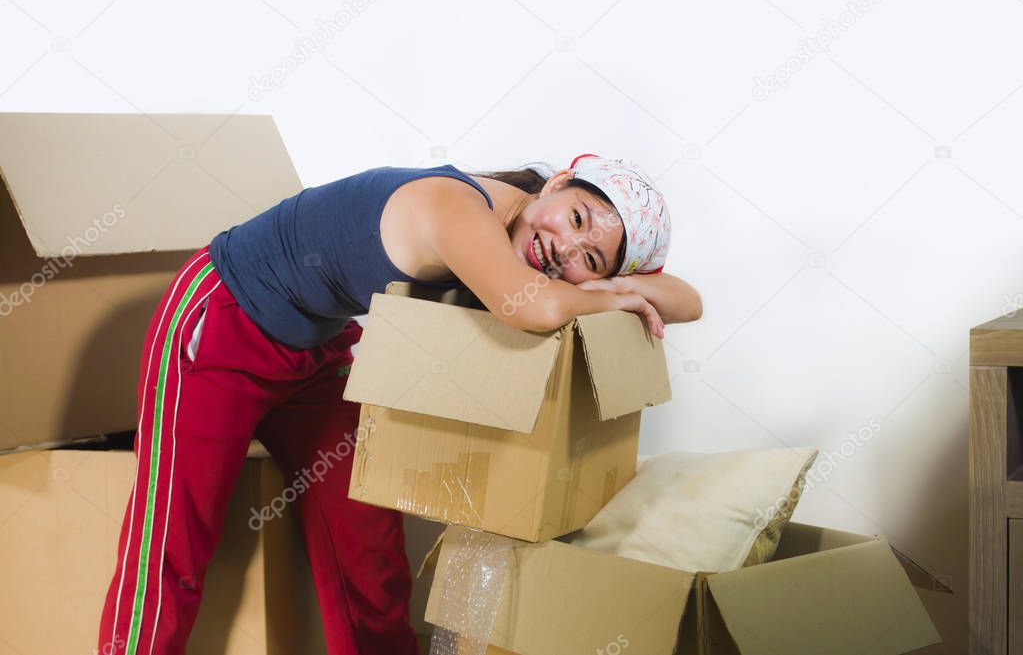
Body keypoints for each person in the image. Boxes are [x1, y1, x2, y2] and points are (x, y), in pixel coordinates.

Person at [95, 152, 701, 655]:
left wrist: (616, 284)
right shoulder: (454, 206)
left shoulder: (533, 241)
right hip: (224, 320)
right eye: (574, 217)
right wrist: (607, 292)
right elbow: (533, 307)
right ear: (561, 181)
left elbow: (688, 300)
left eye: (589, 258)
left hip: (316, 349)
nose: (563, 249)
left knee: (369, 546)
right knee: (173, 545)